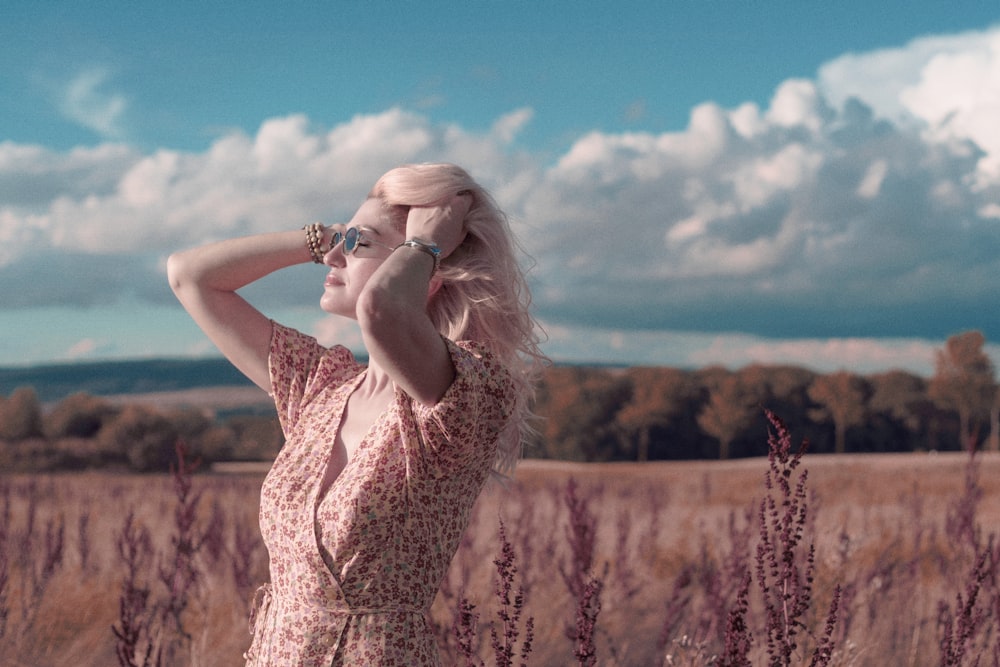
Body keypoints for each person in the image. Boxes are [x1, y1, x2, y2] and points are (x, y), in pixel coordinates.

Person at [167, 162, 544, 666]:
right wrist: (319, 238)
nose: (337, 255)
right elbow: (190, 276)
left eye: (360, 243)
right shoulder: (319, 387)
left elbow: (383, 312)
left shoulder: (462, 400)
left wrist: (426, 243)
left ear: (426, 273)